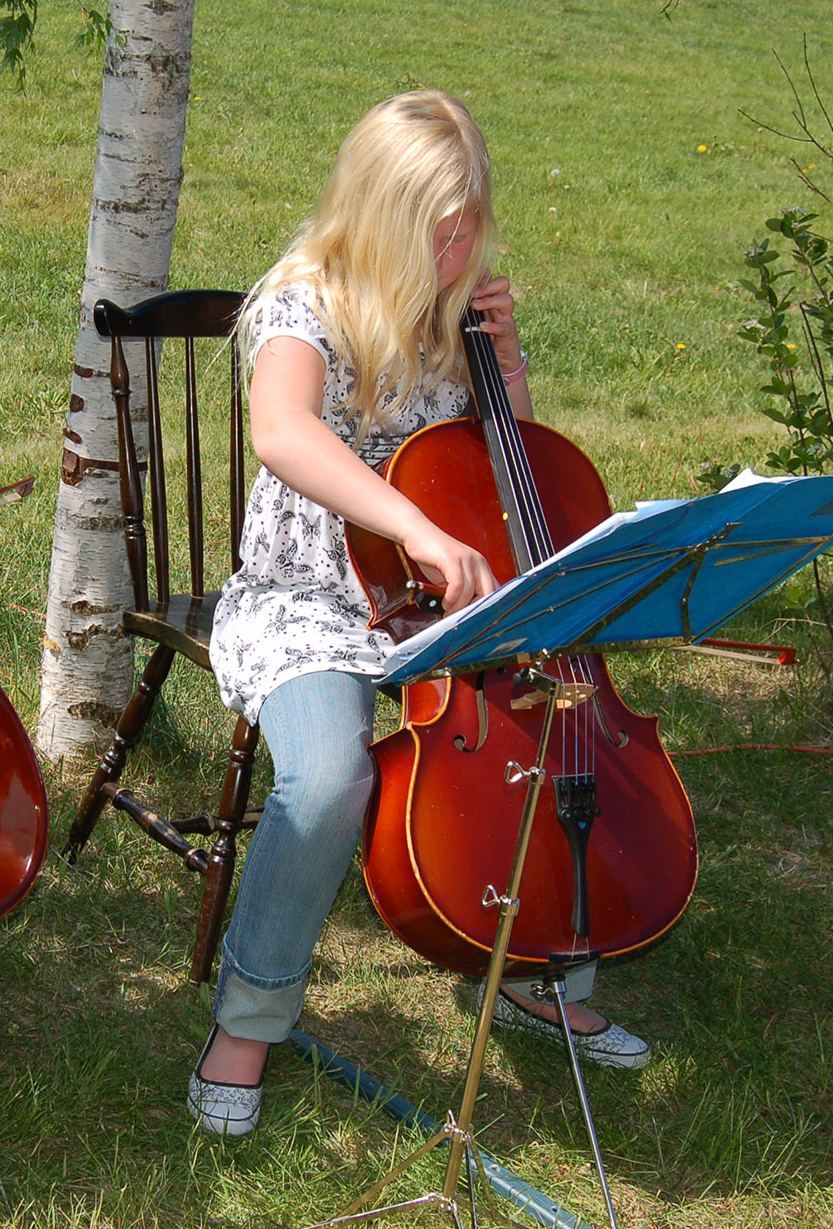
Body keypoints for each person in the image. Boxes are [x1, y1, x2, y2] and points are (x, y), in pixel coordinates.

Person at [187, 90, 652, 1139]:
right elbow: (281, 431)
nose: (458, 246)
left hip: (441, 607)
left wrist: (508, 369)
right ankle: (248, 1022)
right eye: (438, 227)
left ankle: (540, 966)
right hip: (308, 603)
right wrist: (415, 526)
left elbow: (517, 470)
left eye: (470, 223)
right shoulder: (301, 300)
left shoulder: (455, 317)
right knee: (326, 777)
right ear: (383, 214)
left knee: (555, 729)